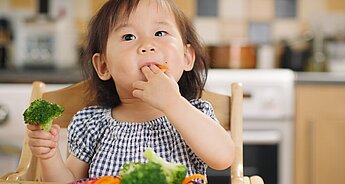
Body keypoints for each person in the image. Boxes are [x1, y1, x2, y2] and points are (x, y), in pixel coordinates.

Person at [27, 0, 234, 182]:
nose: (147, 45)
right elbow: (70, 181)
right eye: (128, 36)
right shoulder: (92, 124)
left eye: (160, 33)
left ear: (187, 57)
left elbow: (223, 157)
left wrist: (173, 103)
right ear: (103, 66)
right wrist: (49, 156)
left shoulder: (195, 114)